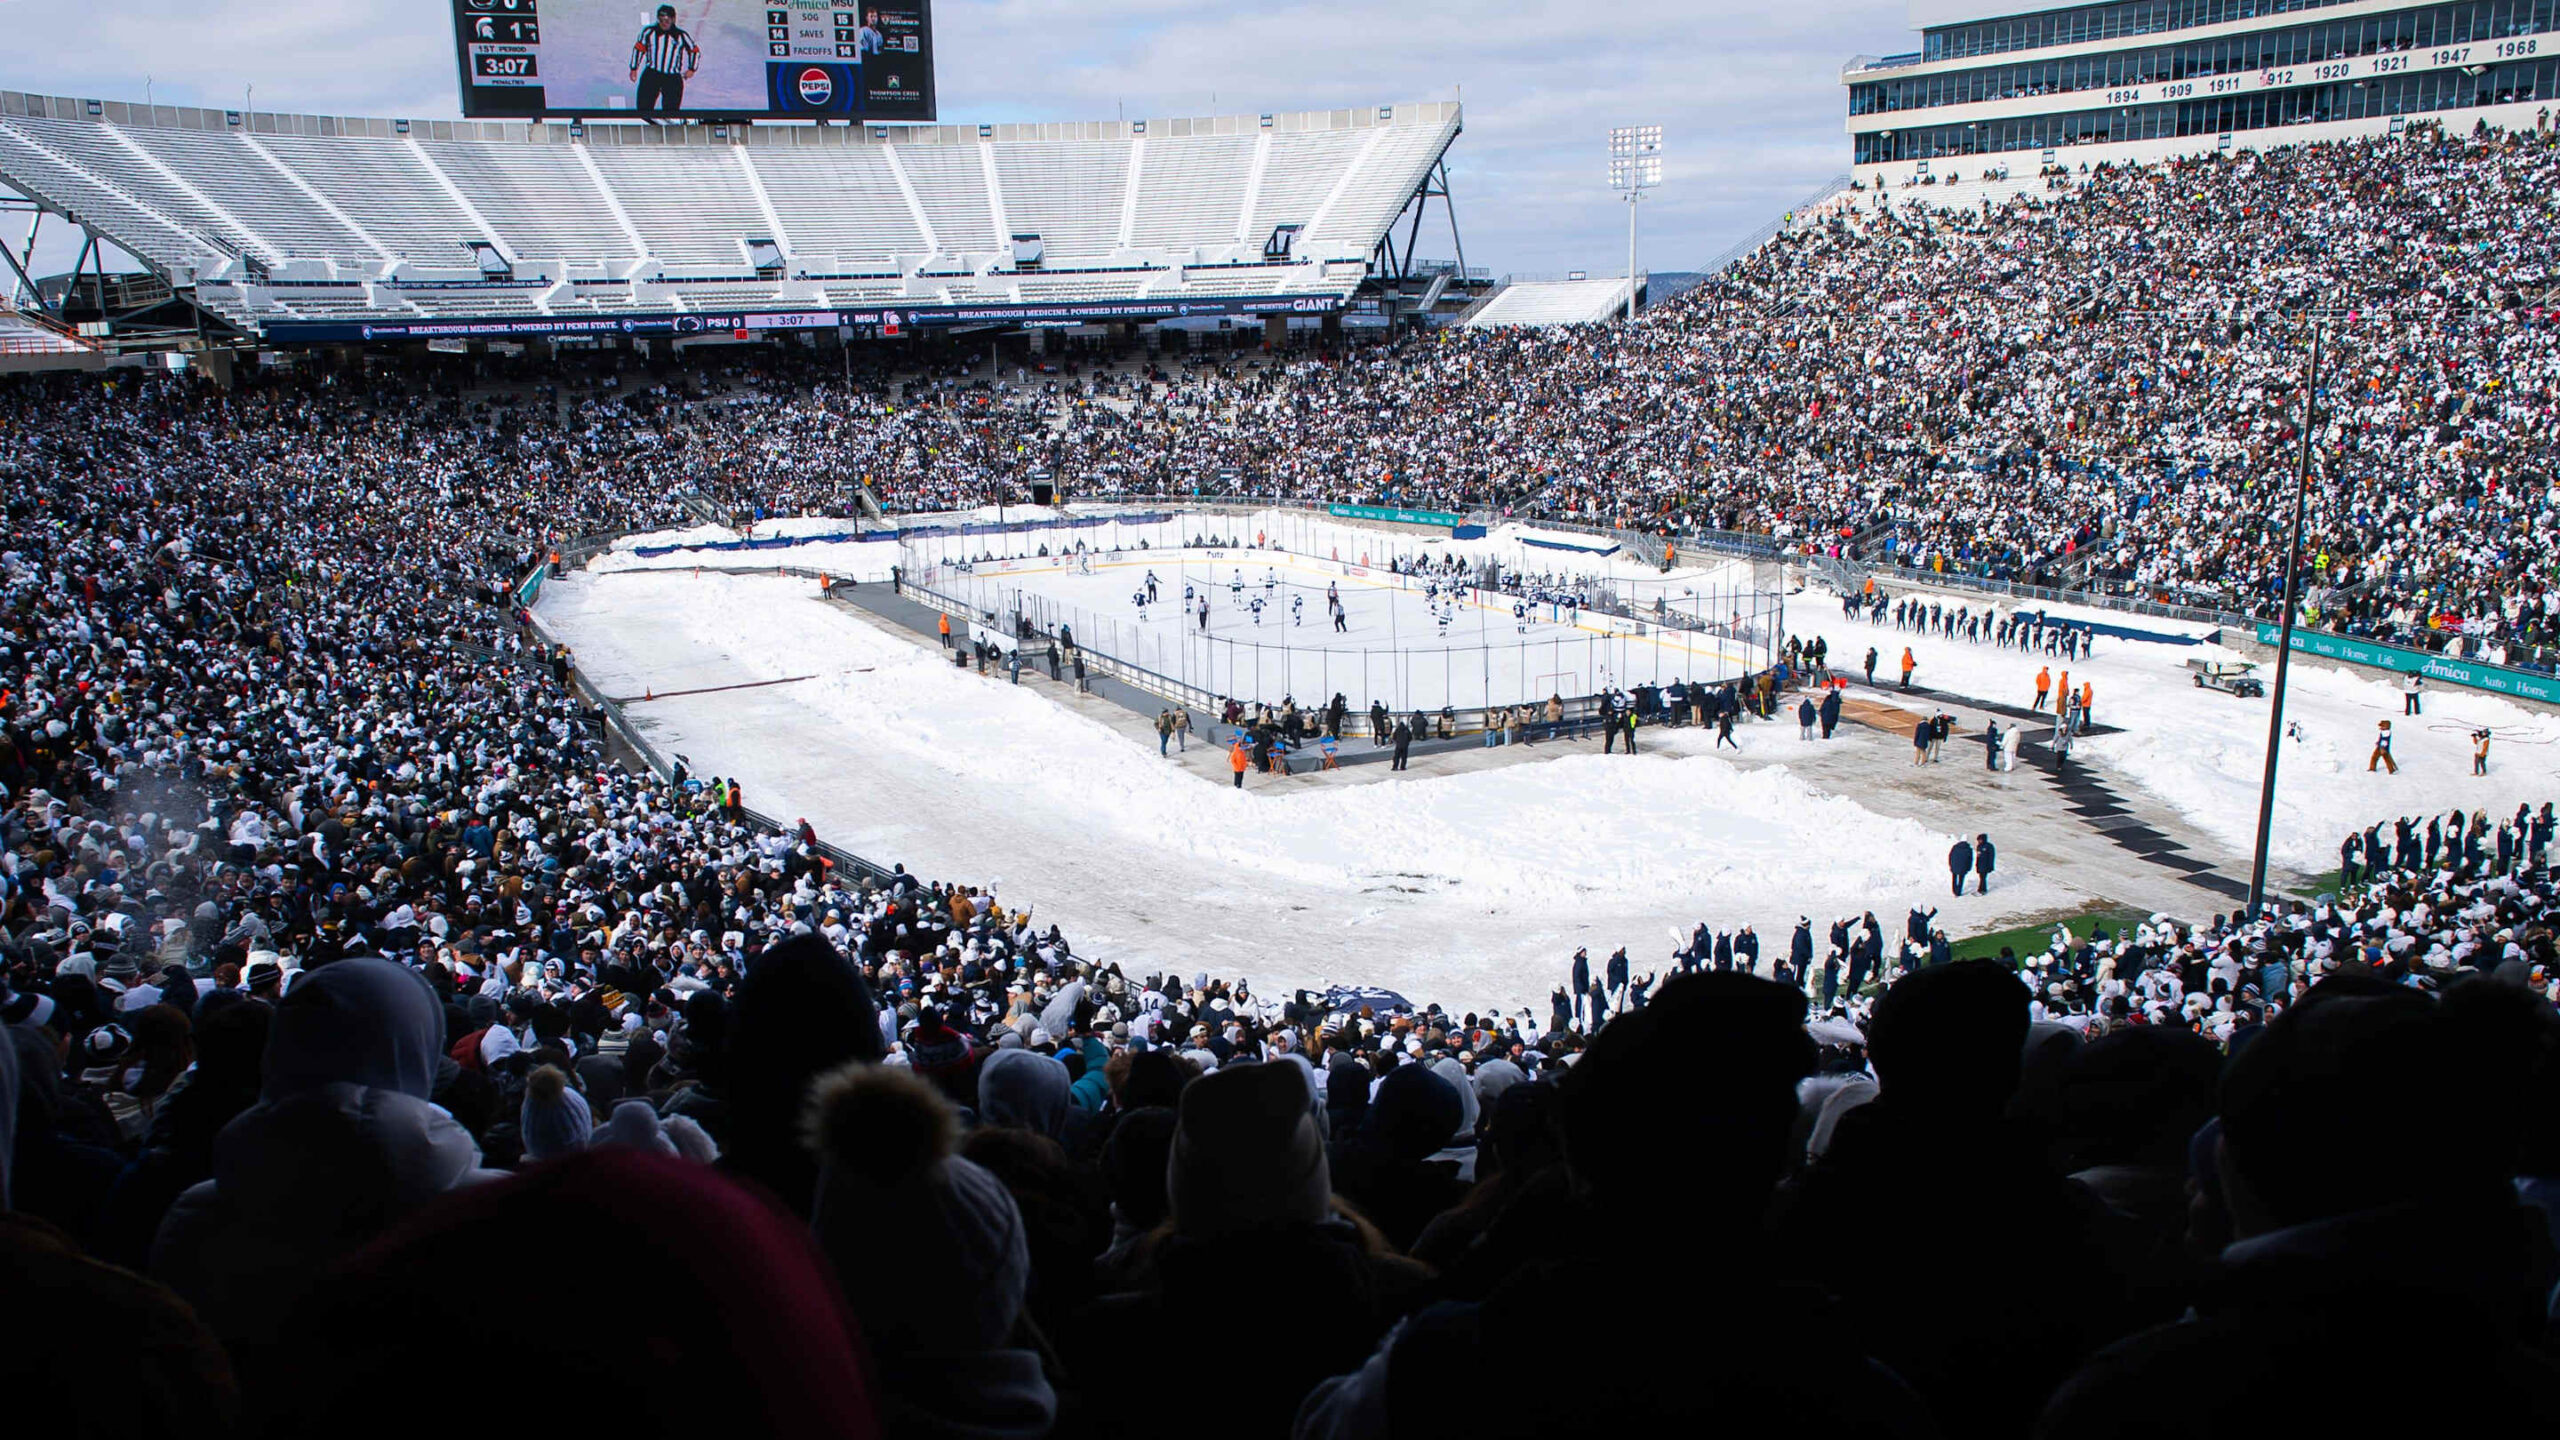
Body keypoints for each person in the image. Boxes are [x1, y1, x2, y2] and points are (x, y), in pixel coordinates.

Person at [629, 5, 701, 117]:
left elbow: (694, 51)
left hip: (672, 77)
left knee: (671, 111)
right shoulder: (649, 32)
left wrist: (692, 69)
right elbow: (639, 49)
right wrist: (634, 68)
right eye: (661, 20)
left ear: (673, 19)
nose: (664, 23)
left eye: (667, 20)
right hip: (652, 73)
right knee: (644, 108)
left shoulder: (681, 36)